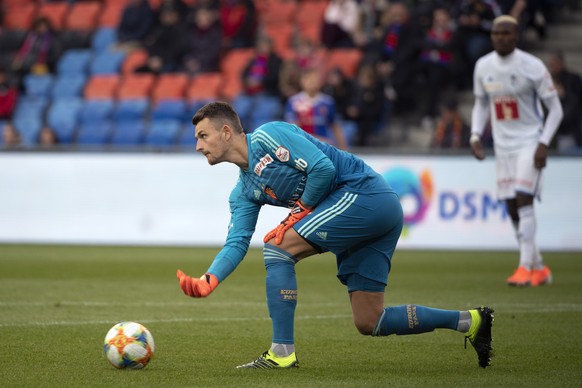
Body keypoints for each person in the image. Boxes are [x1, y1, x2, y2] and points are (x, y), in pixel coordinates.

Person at [176, 101, 494, 369]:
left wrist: (299, 210)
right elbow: (237, 241)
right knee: (370, 321)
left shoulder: (270, 136)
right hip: (367, 217)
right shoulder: (243, 191)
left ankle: (282, 352)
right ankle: (469, 321)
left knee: (277, 246)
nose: (198, 146)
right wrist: (210, 279)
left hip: (365, 195)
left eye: (203, 136)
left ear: (227, 131)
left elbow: (324, 169)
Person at [470, 15, 563, 287]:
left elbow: (556, 109)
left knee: (524, 198)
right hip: (503, 147)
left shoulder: (532, 66)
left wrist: (544, 142)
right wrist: (476, 134)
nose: (500, 37)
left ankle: (523, 267)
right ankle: (539, 267)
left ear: (516, 35)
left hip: (529, 142)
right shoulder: (483, 66)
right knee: (511, 206)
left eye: (506, 33)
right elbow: (481, 103)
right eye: (496, 33)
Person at [285, 68, 348, 150]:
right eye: (308, 79)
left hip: (323, 146)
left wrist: (343, 147)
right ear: (302, 81)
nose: (311, 82)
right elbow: (292, 129)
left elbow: (335, 126)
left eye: (314, 79)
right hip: (302, 146)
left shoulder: (328, 102)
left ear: (320, 82)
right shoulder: (294, 102)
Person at [546, 50, 582, 150]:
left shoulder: (573, 79)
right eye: (550, 66)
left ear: (562, 63)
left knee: (565, 145)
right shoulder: (547, 80)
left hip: (567, 130)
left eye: (554, 65)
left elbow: (575, 105)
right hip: (550, 130)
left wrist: (563, 95)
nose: (552, 69)